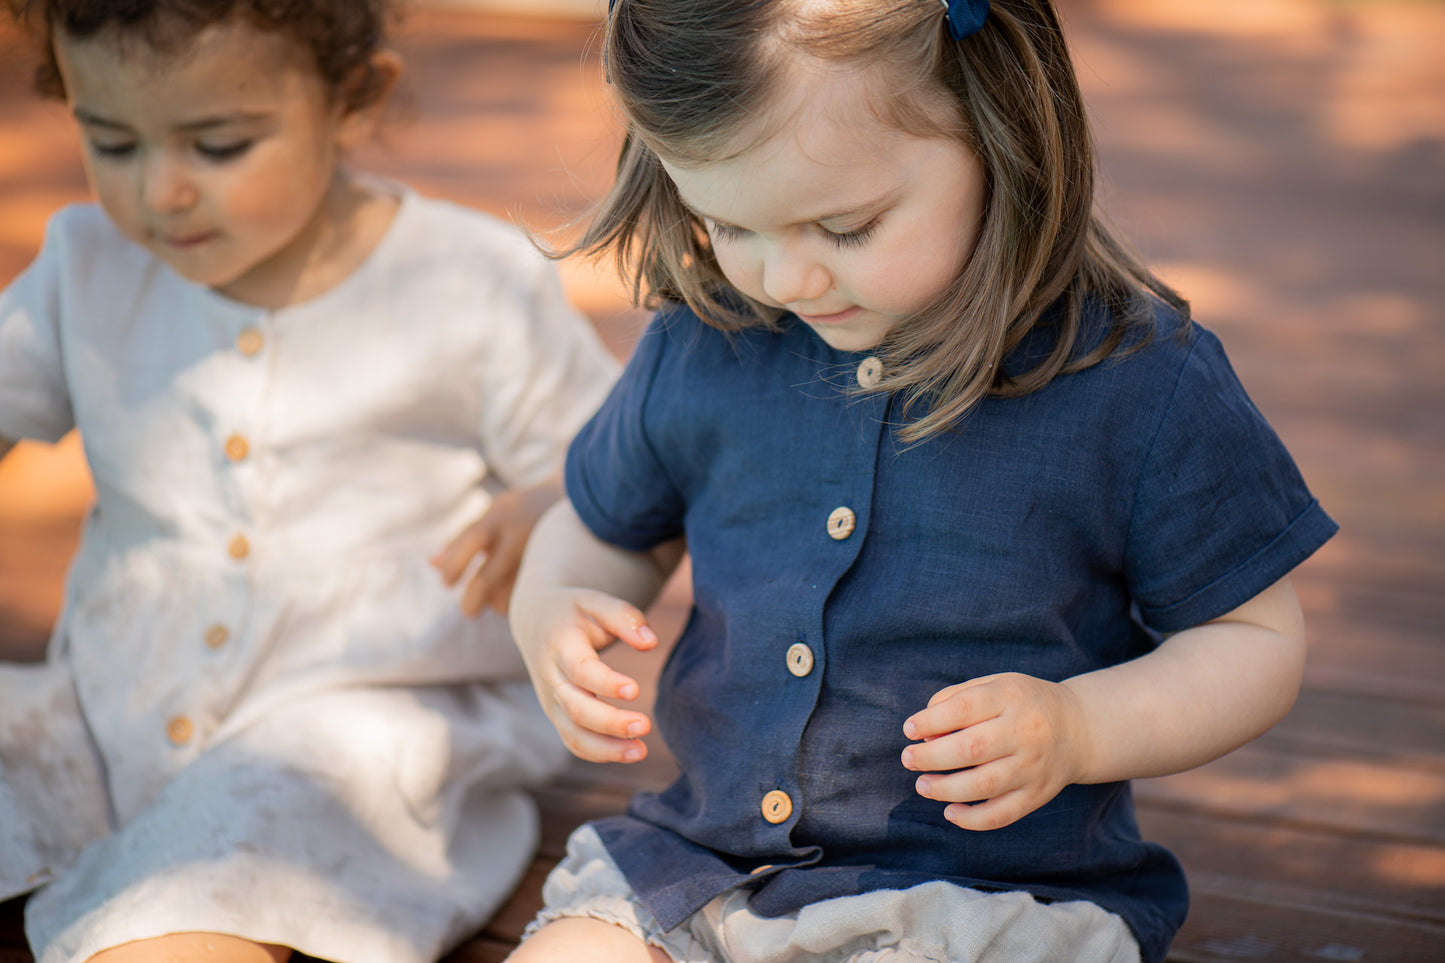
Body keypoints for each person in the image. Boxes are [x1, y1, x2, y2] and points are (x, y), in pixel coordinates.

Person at [504, 1, 1339, 961]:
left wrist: (1079, 725)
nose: (787, 278)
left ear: (999, 131)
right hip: (699, 869)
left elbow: (1252, 638)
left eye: (845, 227)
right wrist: (553, 605)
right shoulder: (707, 336)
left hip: (985, 902)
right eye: (728, 222)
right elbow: (609, 527)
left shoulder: (1135, 379)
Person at [0, 1, 619, 961]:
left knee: (230, 860)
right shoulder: (90, 267)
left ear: (351, 97)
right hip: (105, 705)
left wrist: (550, 501)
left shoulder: (467, 283)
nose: (160, 192)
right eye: (112, 142)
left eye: (218, 145)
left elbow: (623, 463)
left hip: (361, 725)